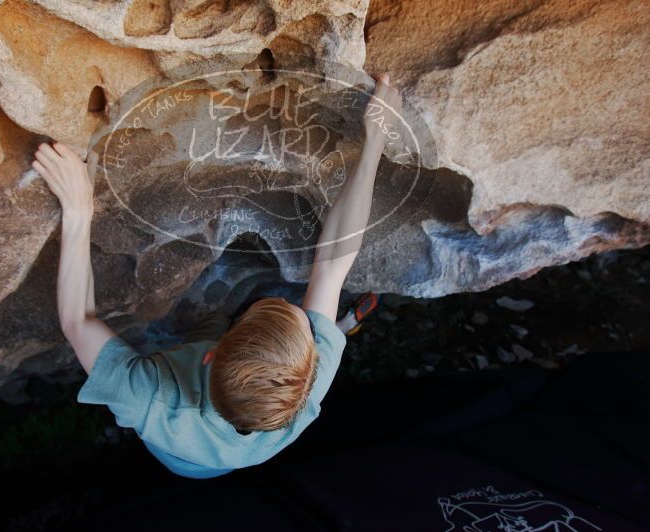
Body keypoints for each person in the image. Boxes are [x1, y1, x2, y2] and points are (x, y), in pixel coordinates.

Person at [31, 74, 402, 478]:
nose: (304, 320)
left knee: (207, 324)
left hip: (183, 462)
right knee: (321, 321)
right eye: (307, 329)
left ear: (213, 353)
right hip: (242, 451)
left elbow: (77, 321)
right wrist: (374, 143)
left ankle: (310, 325)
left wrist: (78, 208)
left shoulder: (147, 400)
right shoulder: (312, 376)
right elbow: (333, 263)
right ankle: (338, 327)